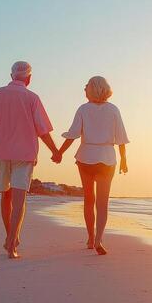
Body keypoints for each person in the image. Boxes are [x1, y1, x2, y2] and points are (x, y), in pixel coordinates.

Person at [0, 61, 59, 259]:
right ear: (29, 78)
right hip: (25, 154)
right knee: (19, 200)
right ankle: (12, 243)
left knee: (6, 196)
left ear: (12, 75)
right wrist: (55, 151)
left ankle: (10, 237)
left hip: (2, 153)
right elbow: (43, 130)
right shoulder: (32, 98)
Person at [54, 76, 129, 255]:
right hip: (107, 158)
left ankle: (90, 238)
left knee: (89, 200)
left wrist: (59, 152)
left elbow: (73, 135)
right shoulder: (113, 110)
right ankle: (98, 239)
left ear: (93, 89)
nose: (84, 88)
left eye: (86, 86)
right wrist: (124, 160)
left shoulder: (83, 109)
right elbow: (121, 137)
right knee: (103, 203)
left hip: (86, 157)